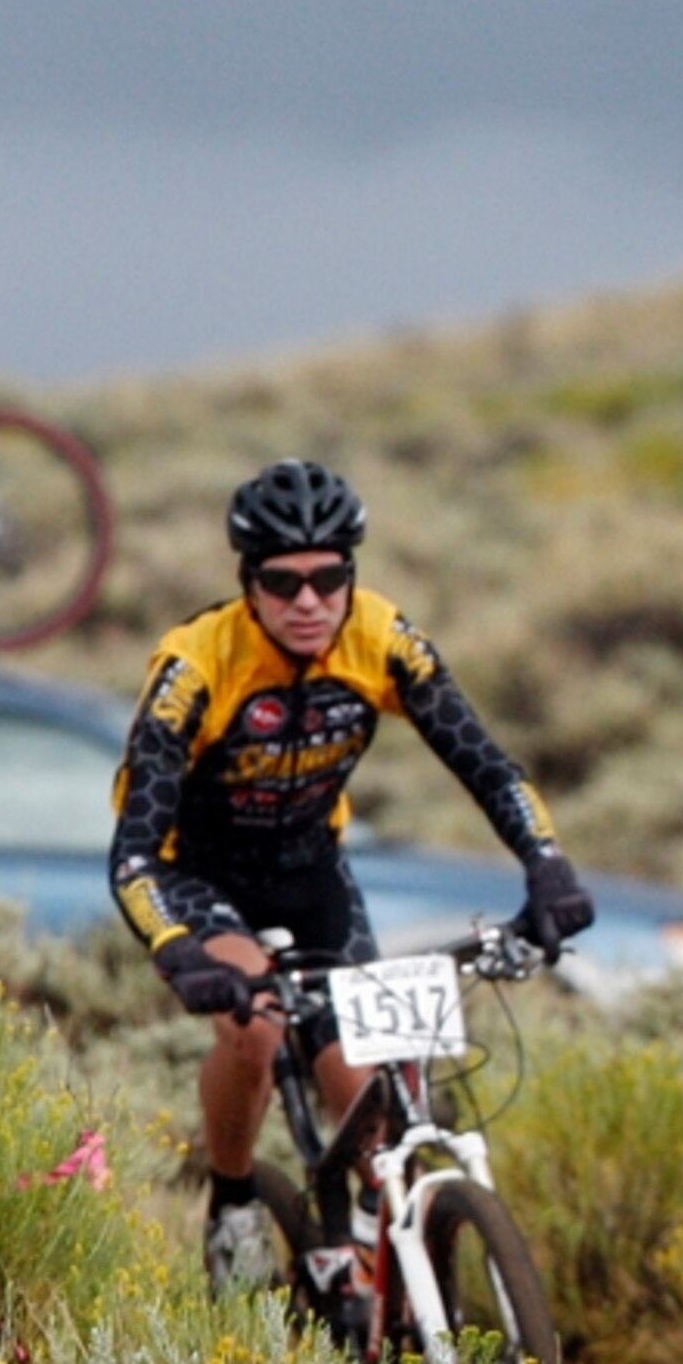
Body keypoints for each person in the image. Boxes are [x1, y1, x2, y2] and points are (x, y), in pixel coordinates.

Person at [110, 459, 594, 1286]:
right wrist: (180, 953)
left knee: (368, 1097)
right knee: (254, 1023)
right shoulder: (196, 667)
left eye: (329, 577)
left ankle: (382, 1268)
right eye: (284, 582)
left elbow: (489, 767)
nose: (309, 601)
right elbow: (132, 855)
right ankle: (232, 1203)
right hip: (201, 875)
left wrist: (546, 865)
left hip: (310, 871)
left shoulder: (382, 638)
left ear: (351, 576)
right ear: (248, 584)